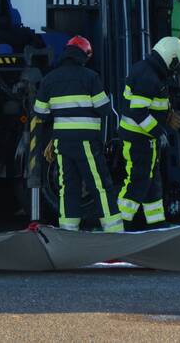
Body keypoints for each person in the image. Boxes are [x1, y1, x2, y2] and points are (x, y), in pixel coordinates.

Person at [36, 36, 123, 233]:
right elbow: (104, 109)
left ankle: (68, 231)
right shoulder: (90, 77)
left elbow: (40, 112)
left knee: (68, 187)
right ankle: (114, 231)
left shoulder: (50, 78)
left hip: (61, 143)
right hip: (86, 143)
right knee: (100, 185)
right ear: (84, 54)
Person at [118, 36, 180, 227]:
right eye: (175, 64)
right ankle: (119, 224)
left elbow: (152, 103)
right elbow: (138, 111)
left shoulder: (151, 71)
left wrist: (167, 114)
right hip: (138, 139)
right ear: (171, 58)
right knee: (138, 181)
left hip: (144, 138)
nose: (174, 70)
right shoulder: (148, 76)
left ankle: (156, 223)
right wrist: (158, 131)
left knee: (151, 183)